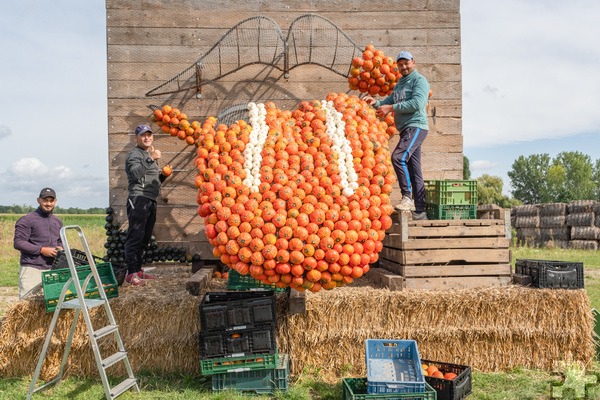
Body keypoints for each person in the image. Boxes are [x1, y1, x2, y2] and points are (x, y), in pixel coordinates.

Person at [364, 50, 430, 220]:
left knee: (398, 157)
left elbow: (417, 103)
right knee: (414, 169)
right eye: (400, 65)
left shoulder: (419, 81)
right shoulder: (400, 84)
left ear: (413, 62)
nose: (404, 67)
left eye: (406, 63)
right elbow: (389, 101)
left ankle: (407, 197)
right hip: (406, 129)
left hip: (416, 126)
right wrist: (376, 102)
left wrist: (391, 109)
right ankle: (420, 211)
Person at [123, 124, 168, 286]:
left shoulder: (147, 155)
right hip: (138, 198)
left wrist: (162, 176)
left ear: (152, 137)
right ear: (136, 138)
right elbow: (136, 174)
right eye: (143, 135)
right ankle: (130, 273)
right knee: (135, 235)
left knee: (145, 236)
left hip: (150, 198)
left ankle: (137, 270)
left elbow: (151, 180)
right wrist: (151, 158)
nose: (146, 137)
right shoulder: (135, 154)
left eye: (149, 134)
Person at [13, 188, 64, 299]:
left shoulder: (57, 221)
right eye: (45, 200)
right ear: (38, 200)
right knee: (28, 308)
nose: (48, 204)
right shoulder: (27, 220)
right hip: (32, 269)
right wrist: (41, 250)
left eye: (51, 201)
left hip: (52, 269)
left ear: (55, 201)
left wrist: (61, 247)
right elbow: (18, 243)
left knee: (52, 307)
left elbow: (61, 241)